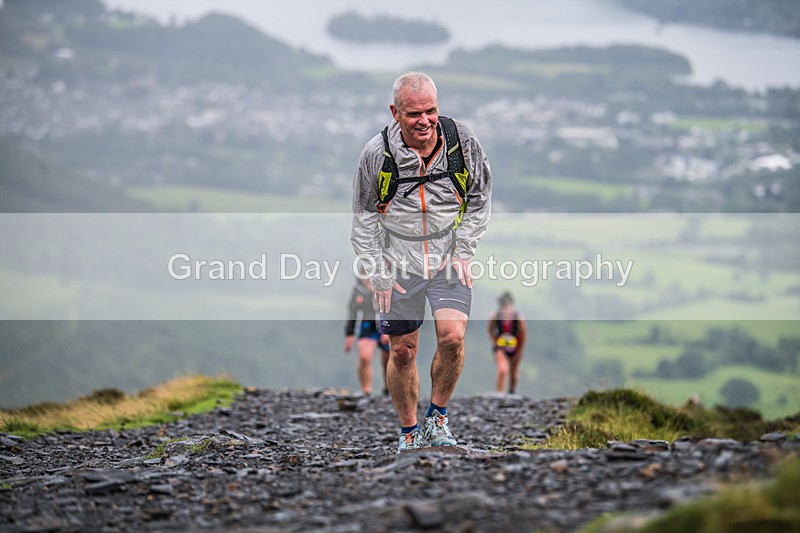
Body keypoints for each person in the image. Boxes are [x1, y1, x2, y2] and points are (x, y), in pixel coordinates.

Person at [351, 72, 492, 453]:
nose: (425, 121)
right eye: (414, 113)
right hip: (398, 262)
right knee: (402, 350)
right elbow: (363, 218)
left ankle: (438, 417)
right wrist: (378, 274)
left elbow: (480, 197)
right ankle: (409, 431)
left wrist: (463, 249)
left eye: (431, 111)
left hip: (449, 258)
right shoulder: (376, 155)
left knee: (452, 337)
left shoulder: (462, 142)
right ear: (395, 113)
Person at [344, 276, 390, 396]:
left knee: (389, 359)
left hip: (387, 323)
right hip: (367, 325)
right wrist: (350, 333)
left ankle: (388, 387)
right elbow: (352, 311)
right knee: (365, 357)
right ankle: (366, 390)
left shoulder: (387, 285)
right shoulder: (358, 290)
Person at [487, 292, 527, 394]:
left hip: (516, 348)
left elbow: (523, 335)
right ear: (500, 308)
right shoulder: (495, 316)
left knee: (513, 373)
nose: (508, 310)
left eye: (510, 307)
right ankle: (499, 395)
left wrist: (519, 351)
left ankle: (511, 392)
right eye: (505, 308)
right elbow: (490, 330)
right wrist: (495, 343)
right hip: (500, 348)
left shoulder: (519, 318)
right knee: (502, 370)